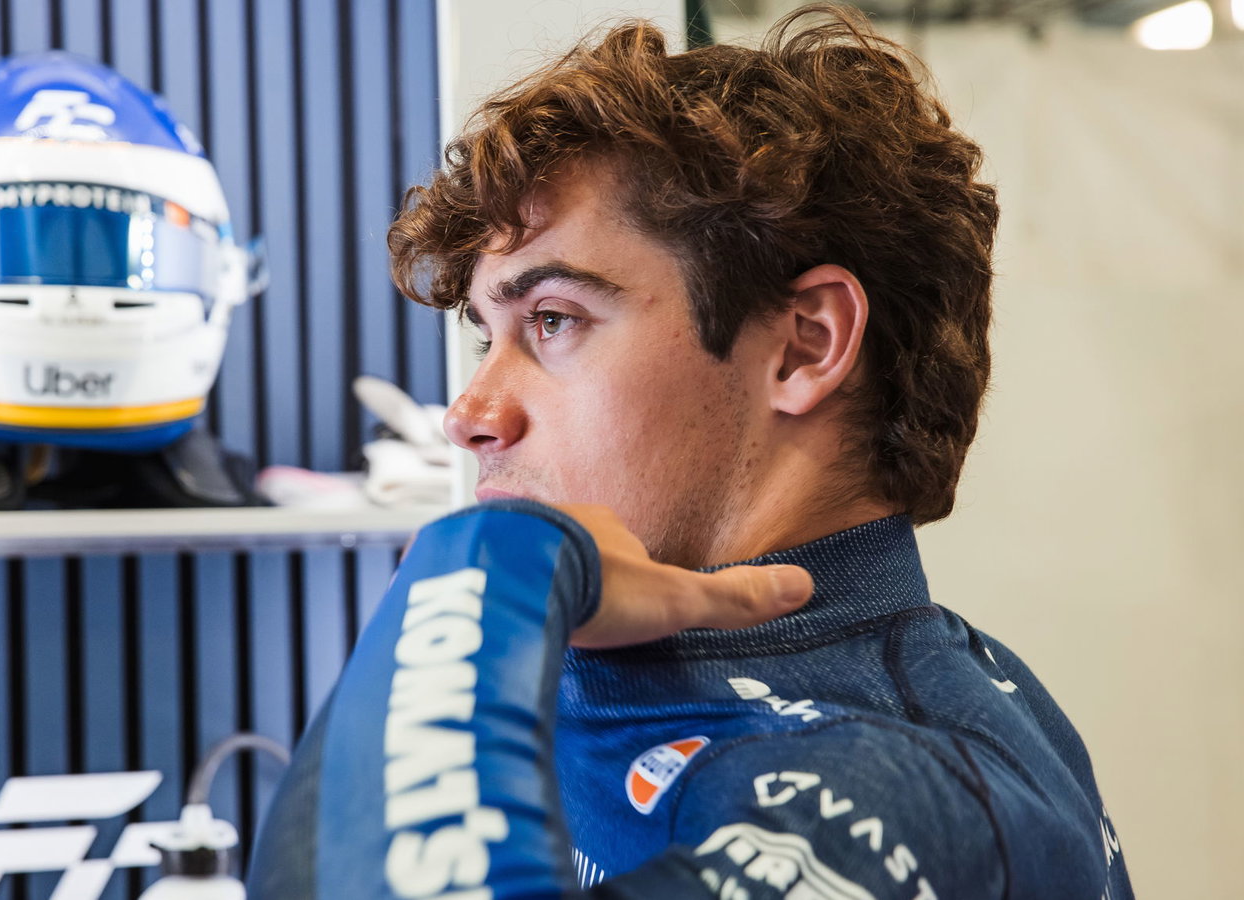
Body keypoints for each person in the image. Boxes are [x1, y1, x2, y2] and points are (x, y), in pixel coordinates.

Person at [248, 6, 1133, 898]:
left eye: (553, 320)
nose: (470, 415)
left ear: (805, 346)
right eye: (488, 335)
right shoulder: (619, 664)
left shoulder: (896, 796)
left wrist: (476, 584)